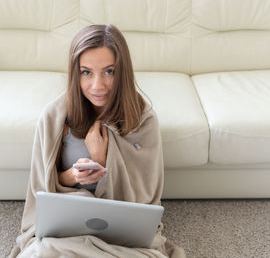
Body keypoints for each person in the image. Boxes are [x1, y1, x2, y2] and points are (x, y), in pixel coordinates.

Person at [10, 24, 186, 257]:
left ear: (122, 72)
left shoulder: (144, 121)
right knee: (41, 252)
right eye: (86, 72)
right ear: (75, 73)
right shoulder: (55, 117)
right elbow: (42, 188)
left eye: (109, 72)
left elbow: (145, 200)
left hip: (122, 237)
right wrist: (75, 175)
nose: (97, 85)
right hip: (66, 232)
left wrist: (102, 162)